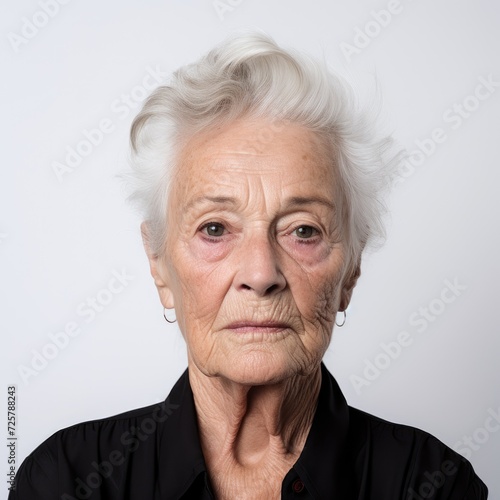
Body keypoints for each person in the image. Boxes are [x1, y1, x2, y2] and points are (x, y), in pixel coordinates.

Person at [10, 33, 487, 500]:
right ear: (159, 265)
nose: (260, 275)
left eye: (303, 231)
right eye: (215, 229)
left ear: (351, 270)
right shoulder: (67, 481)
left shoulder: (432, 484)